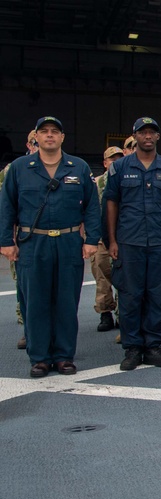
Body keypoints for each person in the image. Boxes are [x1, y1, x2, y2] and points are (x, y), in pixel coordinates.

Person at [0, 116, 101, 378]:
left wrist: (91, 240)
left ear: (62, 137)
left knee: (67, 300)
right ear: (36, 137)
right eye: (44, 132)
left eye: (54, 131)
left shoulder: (77, 167)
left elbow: (92, 206)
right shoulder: (20, 168)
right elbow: (6, 207)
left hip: (68, 242)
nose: (49, 136)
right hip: (33, 243)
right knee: (35, 301)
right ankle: (40, 357)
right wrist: (5, 242)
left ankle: (64, 356)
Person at [104, 116, 161, 371]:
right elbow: (111, 203)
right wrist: (112, 240)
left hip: (159, 241)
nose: (148, 137)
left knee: (158, 296)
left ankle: (153, 346)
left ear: (158, 136)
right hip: (129, 241)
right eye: (143, 132)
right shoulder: (119, 168)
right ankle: (133, 348)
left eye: (152, 133)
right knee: (130, 296)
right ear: (134, 136)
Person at [1, 128, 40, 350]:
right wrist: (8, 240)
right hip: (23, 237)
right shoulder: (13, 169)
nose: (38, 146)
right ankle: (29, 330)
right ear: (28, 145)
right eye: (34, 142)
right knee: (26, 289)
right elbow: (5, 205)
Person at [92, 145, 125, 333]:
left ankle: (122, 314)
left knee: (122, 276)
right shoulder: (96, 183)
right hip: (99, 237)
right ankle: (105, 313)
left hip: (121, 236)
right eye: (112, 159)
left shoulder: (124, 179)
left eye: (119, 158)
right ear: (105, 163)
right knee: (102, 277)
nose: (116, 162)